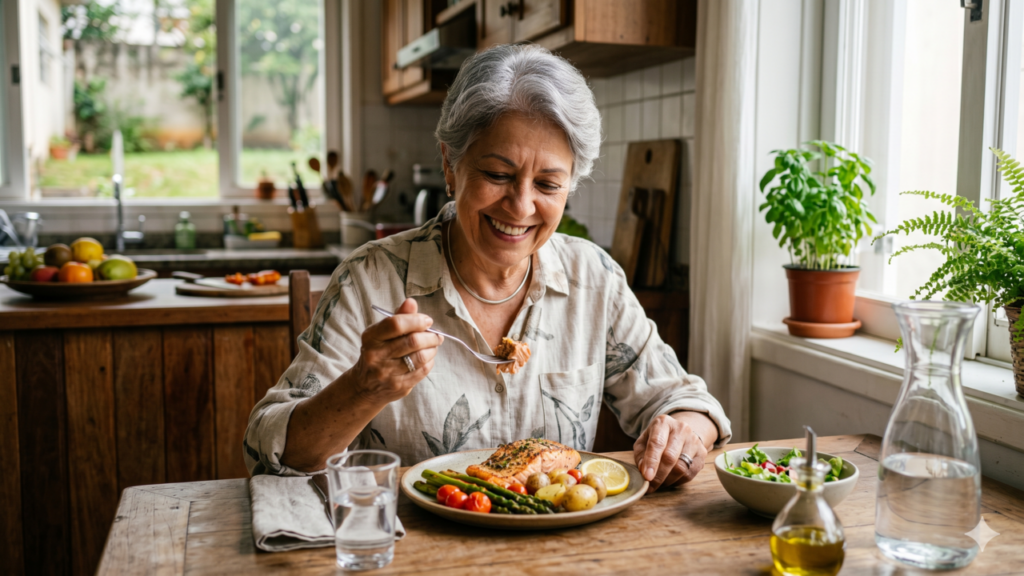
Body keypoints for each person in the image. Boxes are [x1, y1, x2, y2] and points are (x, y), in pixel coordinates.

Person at [244, 44, 731, 492]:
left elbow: (688, 403)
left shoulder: (593, 278)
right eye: (498, 175)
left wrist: (682, 432)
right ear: (450, 165)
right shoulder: (370, 279)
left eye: (547, 184)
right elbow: (270, 451)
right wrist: (361, 390)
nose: (520, 206)